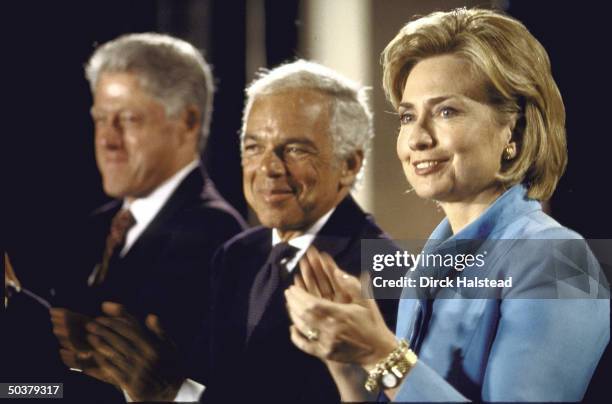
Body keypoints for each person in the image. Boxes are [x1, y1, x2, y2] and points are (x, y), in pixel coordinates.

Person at [284, 8, 610, 402]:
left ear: (515, 129)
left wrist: (381, 353)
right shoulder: (427, 267)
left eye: (446, 111)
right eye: (407, 116)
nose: (416, 138)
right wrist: (350, 366)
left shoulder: (559, 258)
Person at [81, 59, 398, 402]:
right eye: (254, 147)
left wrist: (173, 392)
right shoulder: (238, 253)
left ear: (349, 164)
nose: (268, 168)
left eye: (294, 149)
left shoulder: (382, 265)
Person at [47, 33, 246, 401]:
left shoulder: (219, 236)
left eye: (129, 119)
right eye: (101, 119)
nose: (107, 139)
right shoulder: (94, 227)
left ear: (187, 121)